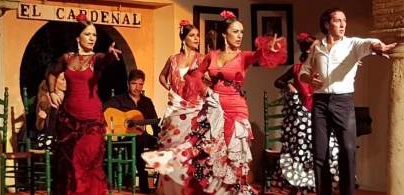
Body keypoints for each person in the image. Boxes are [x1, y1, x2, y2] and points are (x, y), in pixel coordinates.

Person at [144, 10, 287, 195]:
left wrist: (269, 48)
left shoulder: (243, 56)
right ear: (224, 34)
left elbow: (257, 54)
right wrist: (206, 91)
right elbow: (194, 76)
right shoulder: (211, 56)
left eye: (242, 32)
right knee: (206, 155)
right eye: (235, 31)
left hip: (235, 110)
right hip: (212, 109)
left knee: (230, 157)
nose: (239, 36)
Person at [299, 8, 396, 195]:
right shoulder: (317, 47)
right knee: (320, 153)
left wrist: (379, 47)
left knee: (348, 150)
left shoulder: (351, 44)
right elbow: (304, 71)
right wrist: (309, 79)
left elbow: (368, 43)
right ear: (327, 24)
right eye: (338, 20)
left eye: (344, 20)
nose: (343, 24)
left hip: (342, 102)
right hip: (319, 103)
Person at [46, 13, 122, 194]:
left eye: (94, 35)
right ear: (77, 37)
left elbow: (105, 59)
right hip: (68, 121)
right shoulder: (67, 58)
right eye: (88, 34)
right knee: (69, 165)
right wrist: (52, 92)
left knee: (86, 162)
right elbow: (52, 73)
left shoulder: (96, 58)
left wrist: (110, 55)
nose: (92, 38)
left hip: (92, 121)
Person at [141, 20, 205, 195]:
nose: (196, 38)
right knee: (170, 151)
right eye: (192, 35)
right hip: (175, 111)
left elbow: (208, 80)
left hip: (193, 110)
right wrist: (170, 88)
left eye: (198, 35)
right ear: (183, 38)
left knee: (188, 152)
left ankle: (188, 189)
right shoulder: (173, 59)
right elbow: (162, 76)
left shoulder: (201, 59)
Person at [272, 33, 340, 194]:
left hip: (321, 113)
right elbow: (278, 81)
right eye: (316, 47)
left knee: (331, 148)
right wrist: (288, 85)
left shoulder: (324, 66)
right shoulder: (297, 68)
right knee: (301, 149)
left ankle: (324, 183)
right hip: (302, 115)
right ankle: (299, 185)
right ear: (309, 51)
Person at [102, 69, 160, 194]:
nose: (137, 87)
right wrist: (107, 126)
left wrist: (159, 137)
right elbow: (103, 110)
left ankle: (158, 182)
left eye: (140, 84)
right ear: (128, 83)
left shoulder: (147, 102)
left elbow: (155, 123)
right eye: (134, 83)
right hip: (123, 137)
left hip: (141, 138)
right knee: (135, 141)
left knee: (142, 140)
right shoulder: (120, 100)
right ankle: (140, 183)